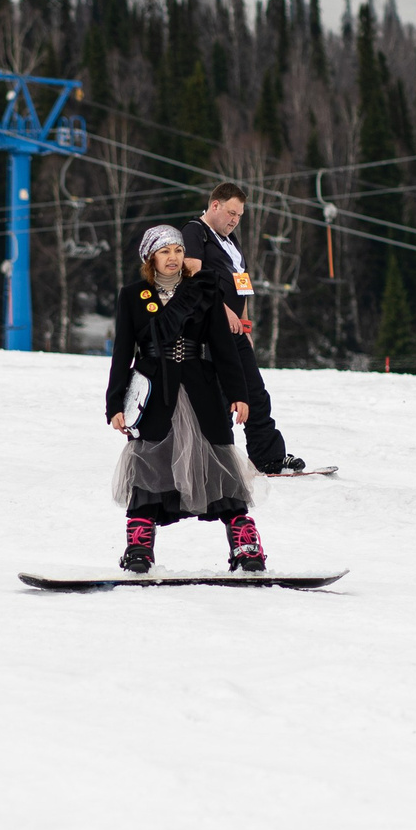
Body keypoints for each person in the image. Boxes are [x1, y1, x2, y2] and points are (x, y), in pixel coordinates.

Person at [105, 224, 270, 573]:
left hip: (201, 390)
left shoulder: (202, 291)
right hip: (153, 392)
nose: (173, 257)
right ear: (150, 258)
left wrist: (238, 394)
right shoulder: (132, 295)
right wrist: (114, 405)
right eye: (165, 251)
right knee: (148, 466)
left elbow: (223, 348)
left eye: (178, 250)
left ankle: (245, 545)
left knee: (220, 465)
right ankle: (139, 548)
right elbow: (123, 353)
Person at [180, 182, 307, 475]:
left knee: (254, 393)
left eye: (239, 215)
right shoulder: (195, 232)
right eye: (231, 213)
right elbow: (192, 277)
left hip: (235, 332)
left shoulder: (231, 241)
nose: (235, 220)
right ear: (215, 205)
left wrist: (246, 328)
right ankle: (216, 458)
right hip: (209, 331)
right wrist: (221, 311)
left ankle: (268, 457)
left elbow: (242, 286)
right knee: (221, 397)